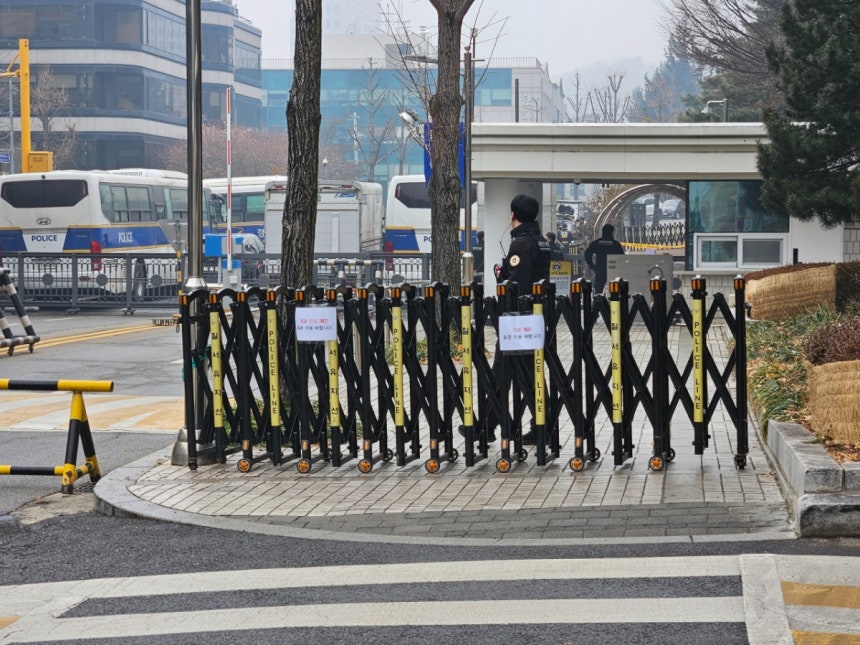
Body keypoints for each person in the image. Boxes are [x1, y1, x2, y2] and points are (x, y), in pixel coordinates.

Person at [584, 223, 625, 295]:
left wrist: (592, 266)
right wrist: (620, 268)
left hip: (600, 269)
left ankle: (598, 304)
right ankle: (613, 304)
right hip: (613, 269)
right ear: (612, 232)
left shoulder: (597, 243)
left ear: (602, 232)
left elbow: (587, 254)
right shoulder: (615, 244)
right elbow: (622, 258)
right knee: (614, 289)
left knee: (598, 290)